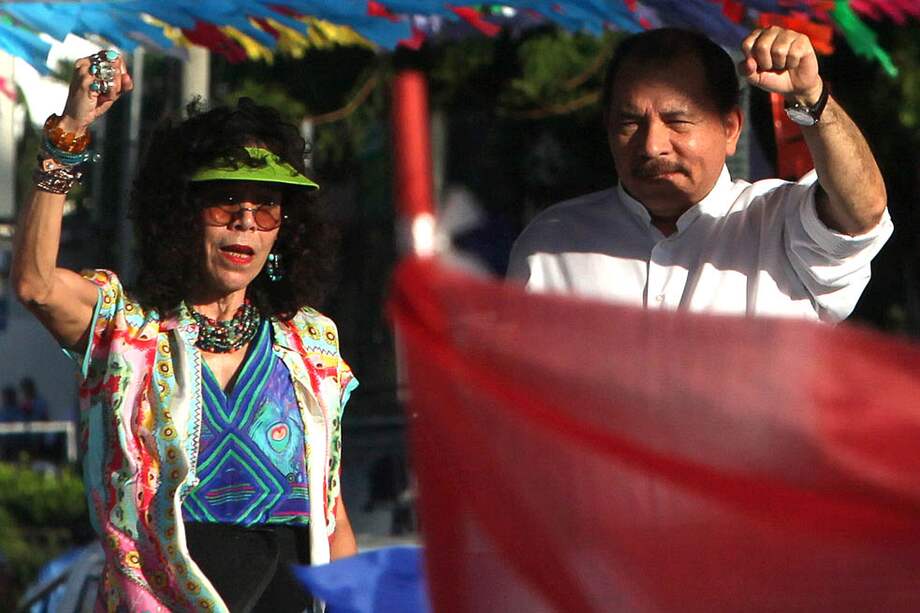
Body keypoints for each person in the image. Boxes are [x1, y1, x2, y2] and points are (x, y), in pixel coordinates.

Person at [11, 50, 358, 612]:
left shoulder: (310, 342)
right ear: (180, 213)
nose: (246, 221)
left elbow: (330, 510)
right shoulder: (128, 331)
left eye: (266, 208)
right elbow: (35, 284)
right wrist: (70, 130)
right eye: (225, 202)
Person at [507, 27, 892, 323]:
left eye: (677, 121)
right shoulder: (551, 244)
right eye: (629, 122)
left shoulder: (781, 226)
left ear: (730, 128)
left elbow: (862, 211)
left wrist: (811, 97)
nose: (652, 145)